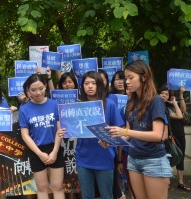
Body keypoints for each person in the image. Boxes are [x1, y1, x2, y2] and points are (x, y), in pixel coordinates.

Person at [107, 60, 172, 199]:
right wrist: (111, 141)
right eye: (126, 78)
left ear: (143, 77)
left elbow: (157, 135)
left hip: (153, 160)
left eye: (131, 78)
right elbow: (128, 136)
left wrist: (125, 132)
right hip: (133, 159)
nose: (127, 82)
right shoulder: (131, 103)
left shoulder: (156, 101)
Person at [75, 71, 124, 199]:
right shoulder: (77, 106)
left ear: (100, 86)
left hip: (105, 157)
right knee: (87, 196)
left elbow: (119, 131)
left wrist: (110, 139)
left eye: (93, 83)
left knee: (107, 195)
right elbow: (71, 128)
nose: (90, 86)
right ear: (82, 86)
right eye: (86, 83)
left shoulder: (110, 104)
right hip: (83, 157)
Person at [19, 74, 65, 199]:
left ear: (45, 86)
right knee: (42, 188)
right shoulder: (24, 109)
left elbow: (59, 129)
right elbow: (25, 135)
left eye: (41, 88)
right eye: (33, 90)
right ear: (28, 91)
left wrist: (55, 151)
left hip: (55, 148)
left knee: (58, 187)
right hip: (36, 151)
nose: (38, 93)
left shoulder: (54, 105)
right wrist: (39, 154)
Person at [159, 86, 190, 192]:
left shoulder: (169, 107)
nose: (164, 95)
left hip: (176, 135)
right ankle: (164, 182)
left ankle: (180, 182)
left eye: (166, 94)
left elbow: (181, 115)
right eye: (162, 93)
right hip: (163, 137)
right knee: (166, 159)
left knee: (178, 157)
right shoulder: (156, 106)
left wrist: (175, 102)